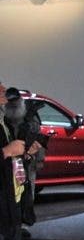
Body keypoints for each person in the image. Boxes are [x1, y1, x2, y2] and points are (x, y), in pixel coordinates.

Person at [4, 87, 44, 226]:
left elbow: (39, 139)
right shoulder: (5, 117)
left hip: (28, 162)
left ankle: (24, 221)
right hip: (10, 163)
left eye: (15, 101)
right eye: (10, 102)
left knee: (27, 193)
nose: (13, 104)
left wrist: (39, 160)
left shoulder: (31, 117)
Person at [1, 100, 26, 240]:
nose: (5, 95)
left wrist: (25, 153)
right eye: (1, 91)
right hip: (4, 198)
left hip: (13, 195)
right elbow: (6, 152)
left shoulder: (6, 123)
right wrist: (6, 151)